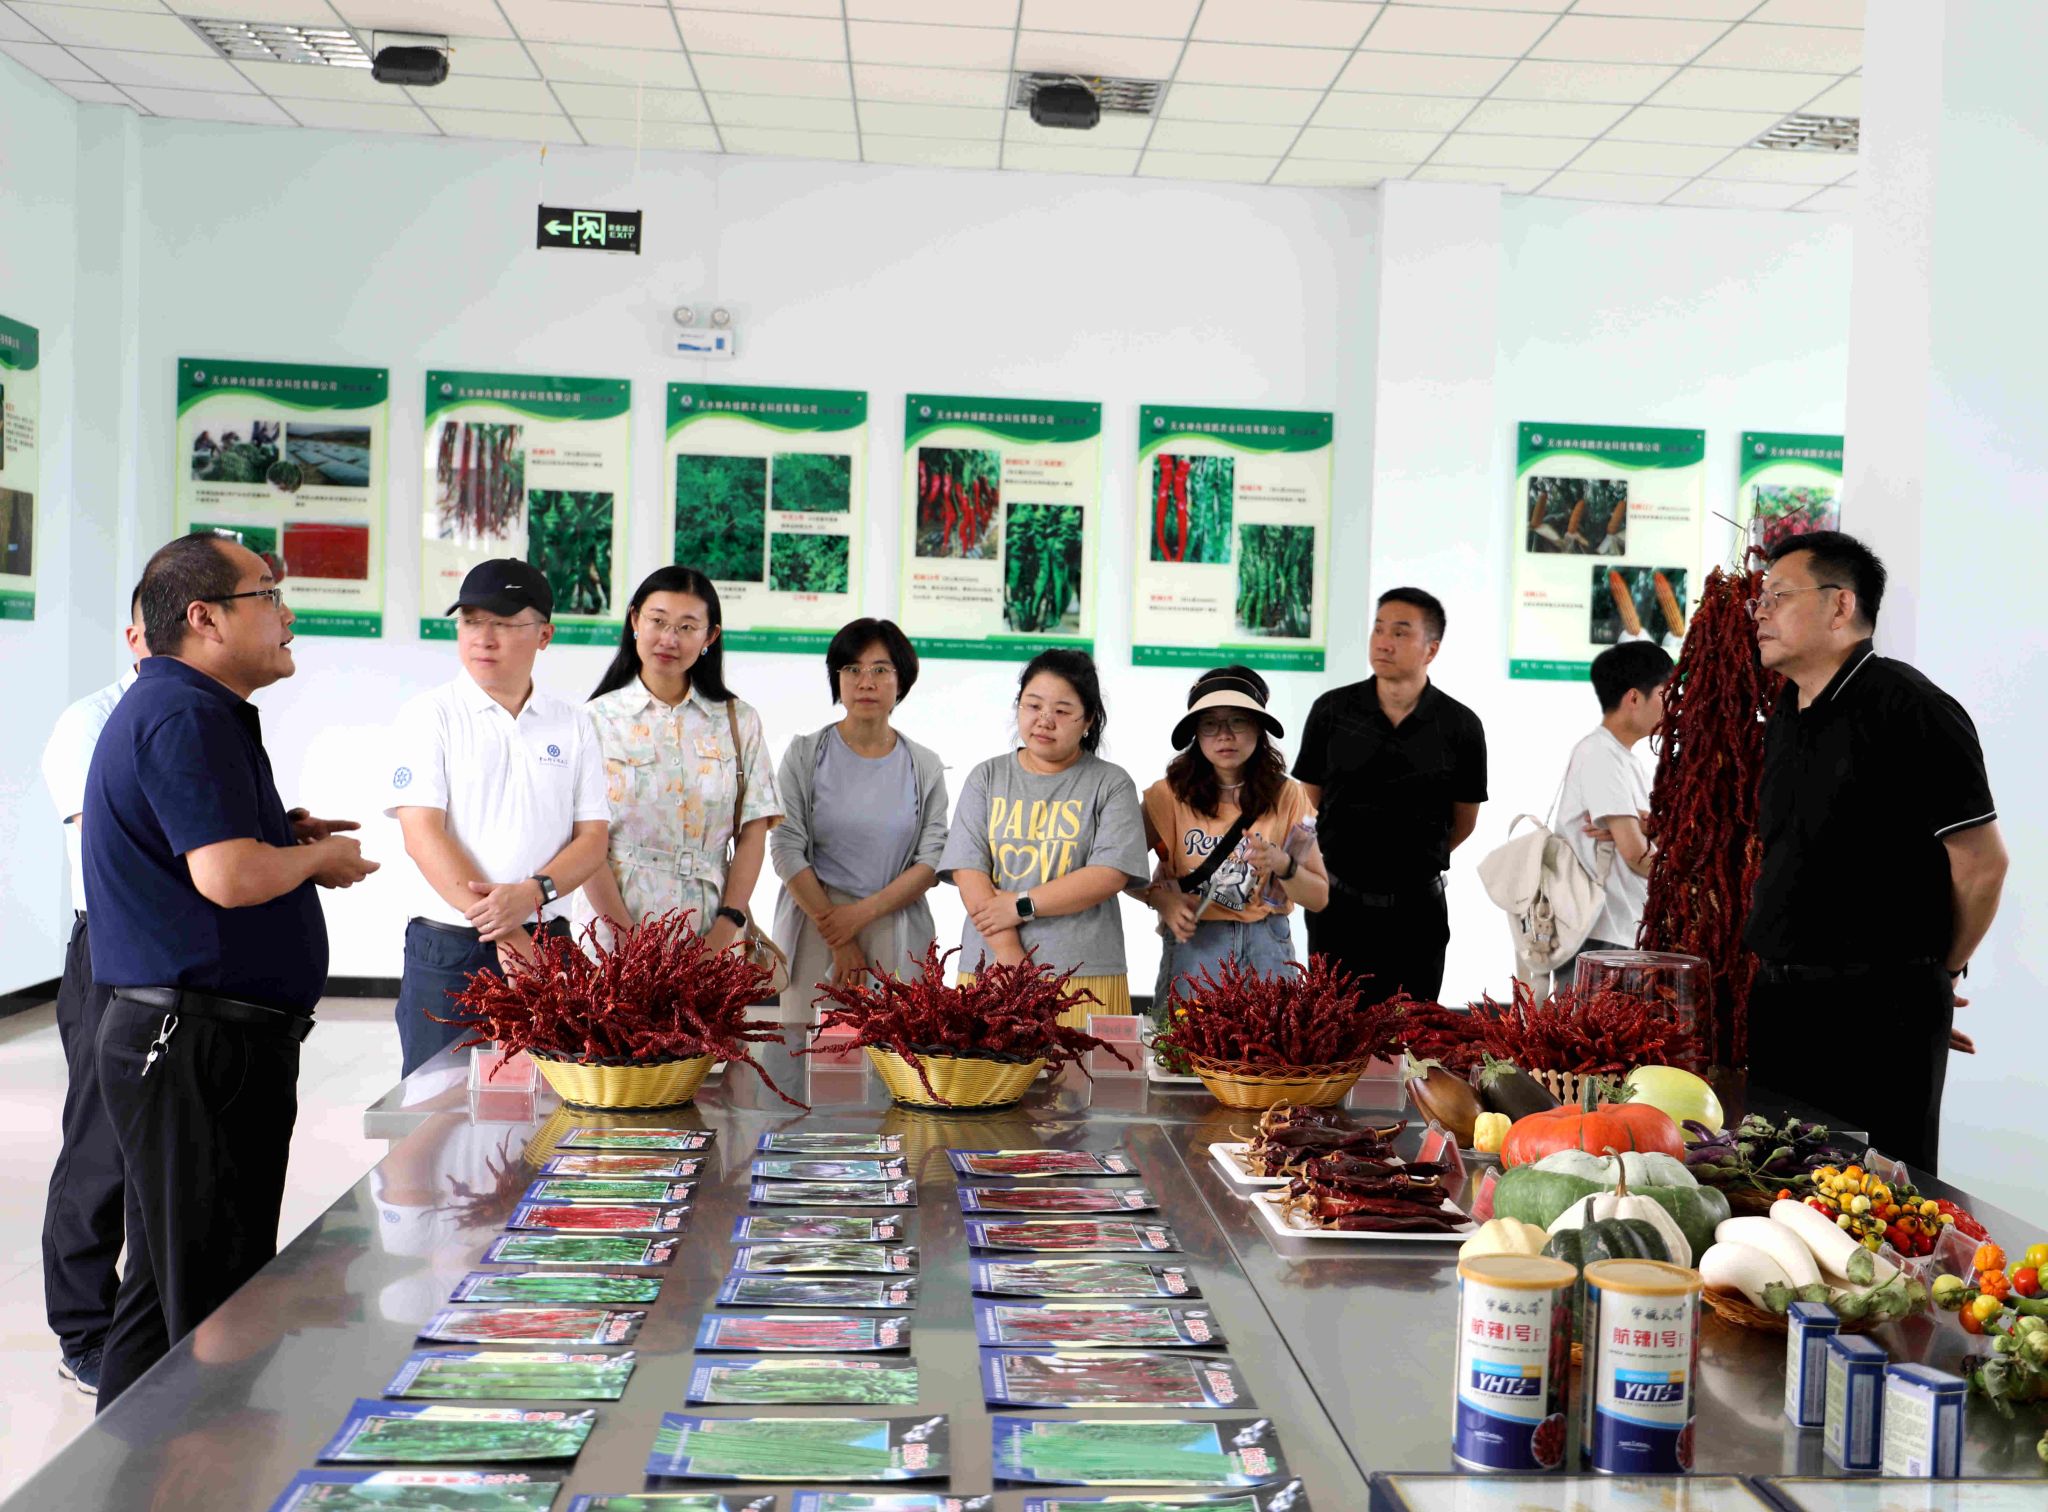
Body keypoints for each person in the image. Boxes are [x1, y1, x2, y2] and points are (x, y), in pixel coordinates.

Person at [83, 534, 377, 1407]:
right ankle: (204, 1463)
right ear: (204, 618)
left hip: (192, 1040)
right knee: (216, 1306)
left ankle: (125, 1469)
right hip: (195, 1045)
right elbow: (228, 876)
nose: (288, 616)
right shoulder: (186, 714)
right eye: (269, 594)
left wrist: (281, 834)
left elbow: (211, 854)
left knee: (162, 1299)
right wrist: (316, 860)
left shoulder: (188, 707)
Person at [1744, 531, 2006, 1174]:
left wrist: (1935, 976)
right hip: (1782, 1002)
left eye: (1779, 596)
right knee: (1776, 1190)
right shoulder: (1787, 712)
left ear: (1841, 605)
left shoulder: (1911, 708)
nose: (1760, 611)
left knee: (1873, 1197)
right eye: (1760, 598)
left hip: (1878, 1011)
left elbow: (1982, 863)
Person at [386, 559, 610, 1076]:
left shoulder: (574, 724)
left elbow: (592, 840)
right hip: (452, 949)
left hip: (548, 941)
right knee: (438, 1102)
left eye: (504, 623)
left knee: (554, 1100)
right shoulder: (430, 715)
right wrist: (506, 931)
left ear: (544, 635)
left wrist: (530, 896)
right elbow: (422, 834)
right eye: (470, 621)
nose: (483, 638)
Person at [35, 586, 148, 1395]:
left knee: (161, 1152)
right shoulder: (91, 722)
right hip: (111, 947)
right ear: (136, 635)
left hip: (178, 954)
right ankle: (83, 1330)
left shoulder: (206, 717)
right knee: (100, 1145)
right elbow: (112, 840)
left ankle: (148, 1323)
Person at [1292, 587, 1488, 1003]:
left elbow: (1464, 822)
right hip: (1337, 907)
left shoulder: (1460, 725)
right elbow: (1309, 804)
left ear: (1431, 649)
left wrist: (1411, 859)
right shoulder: (1332, 711)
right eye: (1378, 629)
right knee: (1332, 1026)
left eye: (1400, 633)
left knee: (1412, 1030)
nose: (1383, 642)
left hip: (1418, 912)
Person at [579, 567, 783, 950]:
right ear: (635, 620)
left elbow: (753, 831)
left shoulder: (739, 721)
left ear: (710, 636)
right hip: (613, 933)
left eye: (687, 627)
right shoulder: (594, 720)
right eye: (658, 621)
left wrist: (724, 932)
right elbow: (583, 840)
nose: (669, 639)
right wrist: (626, 938)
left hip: (711, 932)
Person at [940, 649, 1149, 1016]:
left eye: (1062, 711)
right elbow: (968, 870)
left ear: (1089, 719)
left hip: (1085, 975)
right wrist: (1008, 951)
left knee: (1084, 1057)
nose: (1044, 720)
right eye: (1033, 705)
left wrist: (1020, 905)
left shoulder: (1111, 783)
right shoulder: (986, 777)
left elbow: (1108, 874)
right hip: (993, 969)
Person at [769, 619, 948, 1015]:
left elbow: (933, 860)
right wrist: (840, 936)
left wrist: (860, 916)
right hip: (816, 923)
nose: (866, 682)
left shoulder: (924, 765)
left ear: (901, 680)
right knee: (807, 1047)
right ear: (837, 678)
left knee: (894, 1049)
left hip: (894, 926)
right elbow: (785, 847)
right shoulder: (804, 755)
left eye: (880, 670)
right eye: (852, 669)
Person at [1137, 666, 1329, 1007]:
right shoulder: (1167, 795)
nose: (1224, 735)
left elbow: (1318, 897)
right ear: (1196, 733)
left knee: (1273, 1041)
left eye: (1238, 721)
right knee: (1187, 1040)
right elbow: (1116, 868)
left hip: (1267, 943)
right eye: (1210, 723)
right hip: (1195, 943)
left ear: (1258, 727)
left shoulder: (1287, 795)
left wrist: (1283, 864)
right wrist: (1160, 899)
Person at [1551, 640, 1674, 984]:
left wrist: (1646, 828)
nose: (1672, 706)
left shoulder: (1623, 758)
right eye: (1664, 694)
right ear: (1634, 698)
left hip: (1617, 934)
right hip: (1602, 938)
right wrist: (1688, 876)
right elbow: (1635, 854)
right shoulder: (1601, 754)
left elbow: (1640, 838)